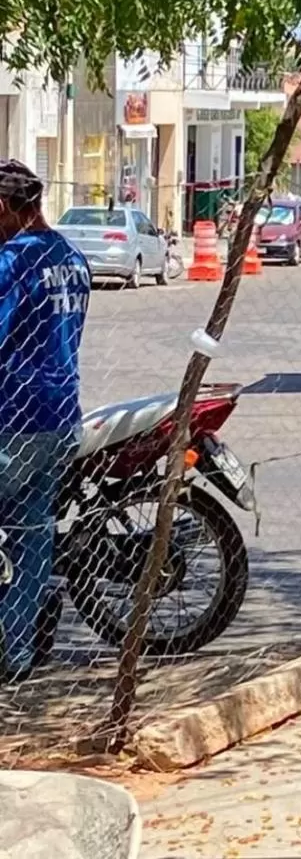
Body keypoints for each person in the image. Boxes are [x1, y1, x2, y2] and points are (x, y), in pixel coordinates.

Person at [0, 159, 90, 682]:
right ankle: (17, 655)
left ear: (5, 208)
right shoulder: (70, 257)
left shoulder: (13, 261)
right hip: (59, 416)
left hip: (11, 416)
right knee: (32, 536)